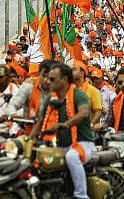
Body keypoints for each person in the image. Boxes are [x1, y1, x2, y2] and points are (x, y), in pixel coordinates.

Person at [29, 63, 95, 199]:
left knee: (72, 157)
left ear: (64, 79)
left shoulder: (79, 95)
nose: (47, 81)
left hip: (83, 144)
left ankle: (81, 195)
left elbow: (83, 113)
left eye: (52, 79)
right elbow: (40, 122)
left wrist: (64, 125)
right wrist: (28, 141)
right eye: (47, 78)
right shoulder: (51, 98)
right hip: (60, 146)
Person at [72, 61, 103, 127]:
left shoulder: (92, 90)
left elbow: (98, 111)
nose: (70, 72)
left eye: (74, 70)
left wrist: (90, 124)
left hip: (87, 131)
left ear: (81, 73)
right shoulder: (69, 89)